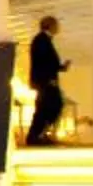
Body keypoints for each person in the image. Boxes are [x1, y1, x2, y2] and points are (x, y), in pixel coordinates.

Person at [26, 16, 68, 145]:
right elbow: (44, 63)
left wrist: (61, 67)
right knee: (52, 106)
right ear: (51, 26)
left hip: (44, 81)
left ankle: (37, 135)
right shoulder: (42, 41)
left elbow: (46, 62)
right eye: (57, 25)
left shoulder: (42, 40)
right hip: (46, 82)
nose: (58, 28)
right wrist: (49, 78)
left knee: (45, 108)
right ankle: (37, 136)